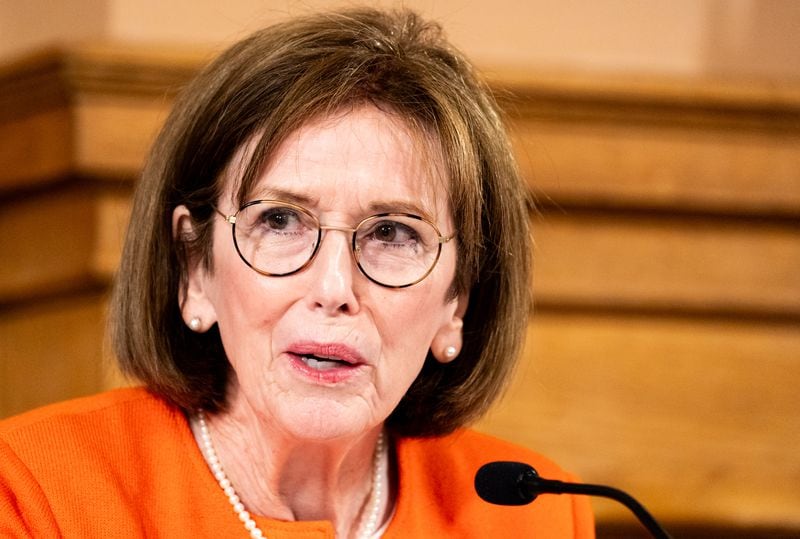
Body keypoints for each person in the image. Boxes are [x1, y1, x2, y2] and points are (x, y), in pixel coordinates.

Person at [0, 7, 594, 538]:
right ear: (194, 266)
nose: (334, 289)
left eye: (393, 233)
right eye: (281, 221)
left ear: (457, 300)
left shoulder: (534, 516)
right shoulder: (36, 494)